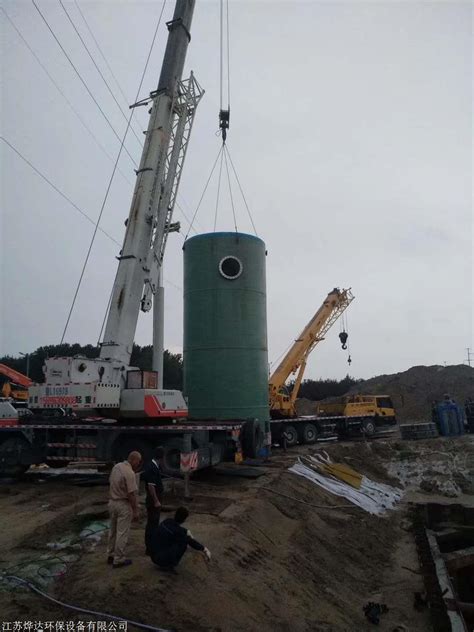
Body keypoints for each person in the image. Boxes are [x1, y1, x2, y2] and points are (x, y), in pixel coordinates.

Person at [107, 450, 142, 568]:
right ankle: (119, 559)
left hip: (112, 502)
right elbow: (131, 494)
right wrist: (136, 510)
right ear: (133, 459)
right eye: (138, 461)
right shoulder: (130, 473)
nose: (138, 464)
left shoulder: (116, 467)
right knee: (122, 533)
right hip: (123, 504)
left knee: (112, 530)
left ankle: (110, 555)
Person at [149, 506, 211, 571]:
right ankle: (170, 564)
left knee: (171, 539)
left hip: (153, 554)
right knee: (183, 543)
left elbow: (176, 528)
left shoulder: (167, 521)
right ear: (184, 520)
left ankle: (166, 560)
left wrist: (186, 531)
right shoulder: (179, 533)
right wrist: (204, 549)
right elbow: (191, 542)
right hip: (160, 560)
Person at [142, 446, 165, 556]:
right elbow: (151, 486)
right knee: (152, 524)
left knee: (153, 523)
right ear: (162, 458)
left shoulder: (152, 466)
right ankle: (150, 548)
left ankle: (151, 546)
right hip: (153, 500)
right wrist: (156, 501)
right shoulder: (152, 467)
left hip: (153, 498)